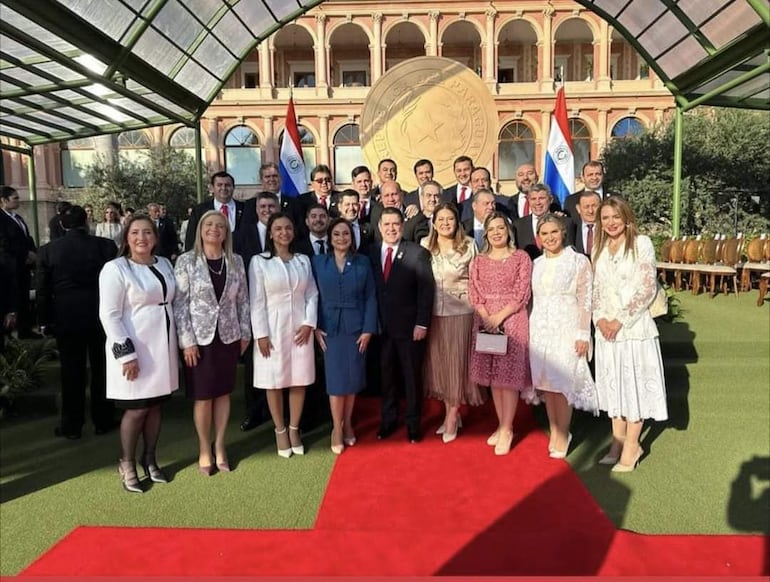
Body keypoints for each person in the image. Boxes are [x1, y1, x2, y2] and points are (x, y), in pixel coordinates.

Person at [99, 214, 179, 493]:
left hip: (162, 348)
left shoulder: (165, 263)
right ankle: (127, 462)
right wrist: (126, 354)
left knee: (155, 405)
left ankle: (150, 458)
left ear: (155, 238)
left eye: (147, 232)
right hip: (135, 348)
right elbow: (109, 315)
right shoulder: (116, 268)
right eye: (135, 233)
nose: (141, 238)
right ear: (126, 238)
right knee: (136, 408)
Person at [592, 197, 667, 472]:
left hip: (633, 329)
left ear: (626, 217)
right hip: (607, 332)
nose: (611, 223)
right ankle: (617, 441)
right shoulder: (598, 248)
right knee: (614, 387)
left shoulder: (641, 243)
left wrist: (619, 320)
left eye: (615, 217)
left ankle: (633, 445)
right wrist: (599, 318)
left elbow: (647, 288)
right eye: (605, 218)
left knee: (633, 386)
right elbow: (596, 289)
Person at [174, 211, 251, 474]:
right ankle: (204, 449)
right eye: (209, 224)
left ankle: (220, 446)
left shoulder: (236, 261)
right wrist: (187, 342)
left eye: (220, 225)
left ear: (226, 231)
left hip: (228, 338)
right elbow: (180, 305)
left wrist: (245, 333)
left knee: (223, 394)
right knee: (204, 397)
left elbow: (243, 301)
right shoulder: (186, 261)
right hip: (199, 341)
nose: (214, 229)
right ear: (200, 229)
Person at [37, 205, 117, 440]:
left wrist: (44, 321)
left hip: (66, 317)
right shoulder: (105, 246)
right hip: (101, 315)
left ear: (61, 225)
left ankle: (72, 425)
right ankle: (103, 419)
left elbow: (42, 291)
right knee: (102, 368)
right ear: (87, 223)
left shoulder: (48, 251)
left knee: (71, 371)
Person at [527, 214, 597, 459]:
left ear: (563, 232)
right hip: (539, 329)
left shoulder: (578, 261)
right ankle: (555, 430)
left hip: (566, 327)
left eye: (553, 232)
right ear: (539, 237)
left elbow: (586, 299)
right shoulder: (535, 264)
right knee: (547, 385)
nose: (549, 238)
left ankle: (562, 433)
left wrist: (583, 334)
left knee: (562, 383)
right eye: (544, 234)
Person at [249, 213, 318, 457]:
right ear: (270, 233)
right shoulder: (259, 262)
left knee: (299, 379)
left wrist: (309, 323)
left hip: (300, 328)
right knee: (274, 381)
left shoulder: (302, 260)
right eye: (278, 228)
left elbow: (312, 293)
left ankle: (294, 429)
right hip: (272, 327)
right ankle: (279, 430)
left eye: (288, 228)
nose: (283, 233)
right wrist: (261, 334)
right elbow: (256, 301)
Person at [369, 207, 435, 443]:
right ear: (379, 227)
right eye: (386, 224)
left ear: (402, 225)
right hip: (381, 329)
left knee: (410, 377)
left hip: (409, 329)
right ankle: (388, 421)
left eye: (395, 224)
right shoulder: (371, 252)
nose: (391, 229)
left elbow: (427, 291)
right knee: (386, 377)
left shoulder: (417, 253)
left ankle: (413, 424)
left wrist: (422, 324)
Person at [312, 217, 377, 454]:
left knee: (352, 381)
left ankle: (348, 422)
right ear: (329, 238)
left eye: (346, 234)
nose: (341, 238)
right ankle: (336, 428)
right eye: (337, 234)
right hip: (330, 330)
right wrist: (315, 326)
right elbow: (313, 296)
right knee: (335, 383)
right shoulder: (318, 262)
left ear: (352, 238)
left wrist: (369, 328)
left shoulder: (362, 263)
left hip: (356, 329)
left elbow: (371, 296)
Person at [469, 212, 532, 455]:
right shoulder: (479, 260)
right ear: (486, 234)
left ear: (508, 231)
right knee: (494, 377)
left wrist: (500, 316)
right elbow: (474, 290)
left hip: (512, 320)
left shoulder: (521, 258)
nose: (496, 232)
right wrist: (486, 316)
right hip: (486, 323)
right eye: (491, 229)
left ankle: (507, 428)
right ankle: (501, 424)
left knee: (508, 377)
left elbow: (522, 292)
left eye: (500, 228)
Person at [421, 203, 482, 443]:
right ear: (434, 222)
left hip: (461, 312)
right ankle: (450, 411)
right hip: (433, 313)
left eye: (450, 219)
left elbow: (477, 280)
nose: (446, 223)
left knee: (458, 365)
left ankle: (452, 416)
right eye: (441, 219)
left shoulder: (468, 245)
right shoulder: (425, 245)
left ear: (457, 222)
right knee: (441, 366)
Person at [233, 191, 279, 433]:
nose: (267, 210)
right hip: (251, 308)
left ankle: (279, 412)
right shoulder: (240, 236)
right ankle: (255, 411)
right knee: (254, 364)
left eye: (271, 205)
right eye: (263, 206)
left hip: (281, 310)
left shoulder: (287, 232)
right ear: (256, 209)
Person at [0, 186, 38, 339]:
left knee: (23, 297)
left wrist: (32, 253)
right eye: (15, 198)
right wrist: (24, 254)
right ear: (3, 200)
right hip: (9, 266)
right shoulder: (2, 219)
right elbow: (4, 243)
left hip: (22, 266)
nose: (18, 200)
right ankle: (7, 331)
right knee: (11, 298)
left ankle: (25, 328)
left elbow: (26, 238)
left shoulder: (17, 217)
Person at [185, 171, 248, 252]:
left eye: (227, 185)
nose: (224, 188)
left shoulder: (245, 208)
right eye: (219, 185)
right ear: (212, 188)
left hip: (240, 260)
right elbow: (191, 239)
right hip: (209, 260)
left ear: (233, 187)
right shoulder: (199, 210)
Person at [513, 183, 571, 261]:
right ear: (528, 201)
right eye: (533, 199)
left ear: (550, 199)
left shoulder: (565, 222)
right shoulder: (518, 225)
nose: (537, 203)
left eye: (542, 198)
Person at [403, 180, 441, 244]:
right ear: (421, 197)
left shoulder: (445, 220)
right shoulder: (413, 219)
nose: (432, 199)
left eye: (436, 196)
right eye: (429, 195)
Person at [572, 190, 601, 258]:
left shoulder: (607, 228)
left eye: (594, 206)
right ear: (578, 208)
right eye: (586, 207)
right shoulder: (572, 228)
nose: (590, 211)